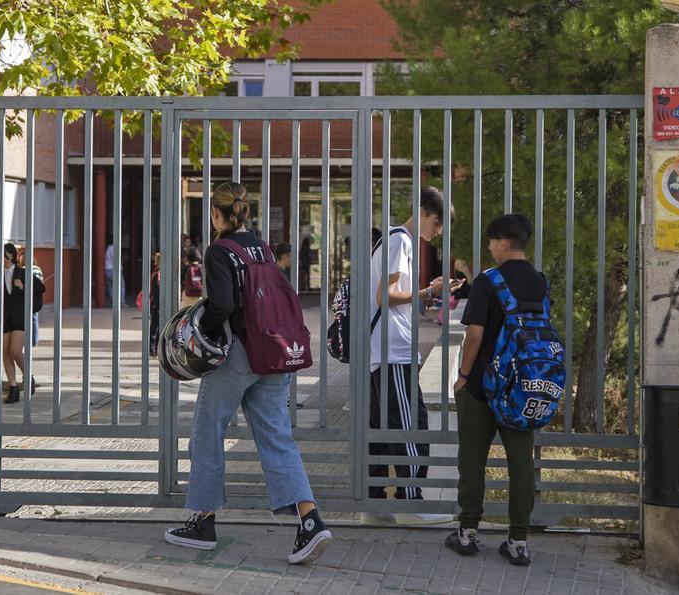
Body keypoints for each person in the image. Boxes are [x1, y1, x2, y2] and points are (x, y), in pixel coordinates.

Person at [163, 182, 332, 564]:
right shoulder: (263, 248)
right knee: (277, 438)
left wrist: (201, 329)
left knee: (208, 431)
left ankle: (203, 522)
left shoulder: (219, 251)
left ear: (217, 214)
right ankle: (310, 522)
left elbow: (222, 305)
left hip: (239, 355)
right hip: (273, 355)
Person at [445, 214, 541, 566]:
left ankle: (467, 533)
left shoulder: (489, 280)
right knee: (520, 465)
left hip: (484, 386)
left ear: (502, 242)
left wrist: (463, 375)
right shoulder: (539, 281)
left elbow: (474, 334)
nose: (488, 247)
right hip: (523, 388)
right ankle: (518, 541)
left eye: (490, 241)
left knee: (472, 460)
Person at [365, 187, 462, 524]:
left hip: (382, 351)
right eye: (437, 224)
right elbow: (385, 295)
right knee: (410, 425)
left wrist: (429, 291)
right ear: (422, 212)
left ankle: (374, 501)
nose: (437, 233)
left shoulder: (393, 239)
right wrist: (426, 291)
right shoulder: (400, 241)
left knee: (380, 425)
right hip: (392, 351)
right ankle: (412, 501)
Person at [0, 243, 41, 404]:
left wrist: (23, 287)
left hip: (20, 318)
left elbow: (41, 288)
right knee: (5, 353)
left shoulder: (23, 273)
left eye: (1, 254)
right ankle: (13, 388)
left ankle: (28, 377)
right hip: (4, 318)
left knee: (15, 351)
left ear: (10, 256)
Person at [148, 251, 162, 356]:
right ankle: (152, 348)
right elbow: (155, 292)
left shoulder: (158, 273)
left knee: (157, 327)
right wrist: (158, 306)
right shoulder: (158, 274)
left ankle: (156, 348)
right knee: (155, 327)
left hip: (157, 304)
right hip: (156, 305)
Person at [105, 239, 116, 307]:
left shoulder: (108, 249)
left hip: (107, 269)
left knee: (110, 286)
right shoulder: (113, 248)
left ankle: (113, 302)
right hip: (112, 269)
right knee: (121, 284)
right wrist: (120, 267)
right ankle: (121, 302)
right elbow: (115, 259)